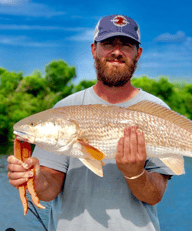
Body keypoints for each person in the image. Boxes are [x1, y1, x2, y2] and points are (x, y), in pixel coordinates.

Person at [7, 14, 182, 231]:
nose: (116, 52)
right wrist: (35, 176)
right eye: (108, 43)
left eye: (126, 45)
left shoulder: (157, 111)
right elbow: (48, 190)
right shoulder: (64, 108)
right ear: (93, 49)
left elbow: (155, 195)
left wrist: (135, 172)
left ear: (138, 53)